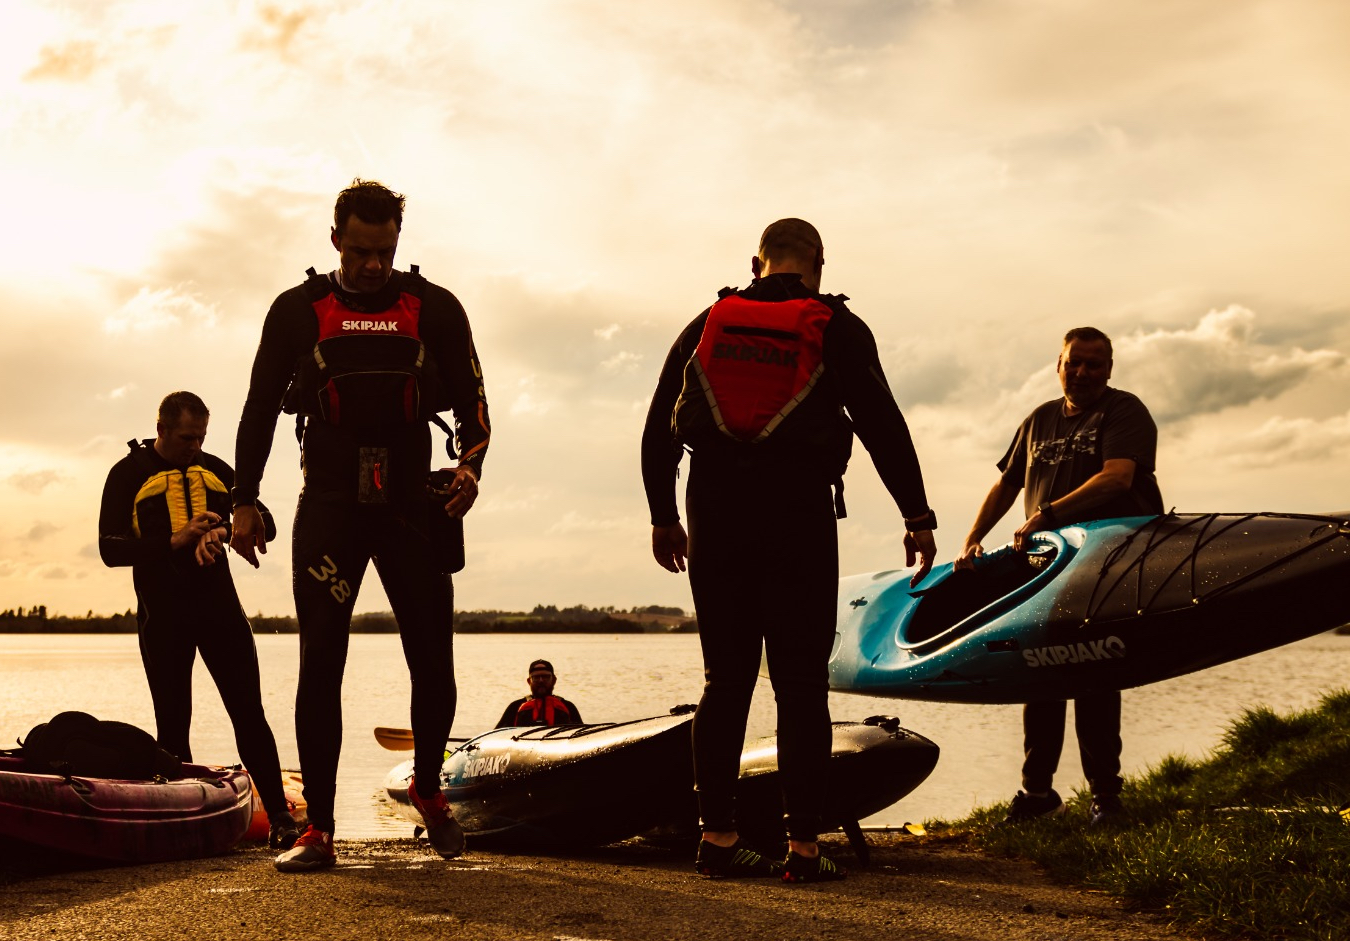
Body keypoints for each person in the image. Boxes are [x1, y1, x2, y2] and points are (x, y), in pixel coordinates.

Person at [643, 218, 937, 883]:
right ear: (818, 265)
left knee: (726, 680)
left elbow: (659, 425)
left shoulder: (707, 322)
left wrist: (663, 514)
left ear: (757, 263)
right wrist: (916, 513)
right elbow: (881, 423)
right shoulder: (834, 326)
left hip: (712, 508)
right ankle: (802, 848)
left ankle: (716, 837)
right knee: (800, 685)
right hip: (796, 511)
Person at [230, 179, 491, 872]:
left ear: (397, 244)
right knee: (321, 661)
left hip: (413, 502)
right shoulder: (297, 311)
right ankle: (318, 828)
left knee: (432, 659)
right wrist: (245, 499)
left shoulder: (434, 307)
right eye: (362, 250)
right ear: (336, 238)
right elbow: (258, 408)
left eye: (386, 251)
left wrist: (469, 469)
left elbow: (474, 405)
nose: (374, 265)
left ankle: (428, 789)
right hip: (330, 505)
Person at [955, 327, 1162, 828]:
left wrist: (1047, 515)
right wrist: (973, 538)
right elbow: (1006, 483)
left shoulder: (1123, 410)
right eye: (1075, 362)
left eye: (1094, 364)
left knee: (1094, 674)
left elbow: (1117, 477)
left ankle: (1105, 798)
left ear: (1108, 368)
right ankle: (1037, 793)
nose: (1083, 372)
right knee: (1039, 674)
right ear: (1059, 364)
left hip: (1104, 565)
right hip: (1043, 570)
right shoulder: (1039, 419)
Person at [98, 391, 296, 848]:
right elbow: (110, 549)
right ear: (162, 429)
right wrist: (176, 539)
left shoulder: (217, 470)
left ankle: (283, 820)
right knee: (172, 724)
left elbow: (264, 518)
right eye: (188, 437)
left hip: (219, 610)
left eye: (202, 436)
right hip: (162, 615)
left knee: (250, 715)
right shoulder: (127, 473)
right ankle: (180, 827)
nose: (195, 445)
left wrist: (223, 531)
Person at [497, 659, 584, 728]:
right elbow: (497, 736)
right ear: (529, 681)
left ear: (554, 680)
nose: (541, 680)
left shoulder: (568, 707)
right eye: (536, 677)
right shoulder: (515, 707)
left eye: (545, 677)